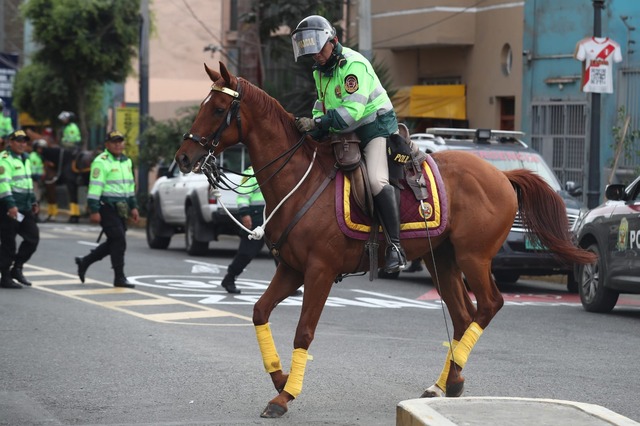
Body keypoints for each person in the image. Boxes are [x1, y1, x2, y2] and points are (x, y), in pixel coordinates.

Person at [291, 15, 418, 273]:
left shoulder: (353, 66)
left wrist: (318, 125)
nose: (315, 55)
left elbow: (353, 113)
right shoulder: (320, 70)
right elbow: (322, 103)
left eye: (319, 48)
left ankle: (395, 247)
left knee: (376, 180)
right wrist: (314, 122)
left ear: (333, 40)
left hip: (375, 127)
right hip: (345, 129)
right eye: (311, 51)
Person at [75, 131, 138, 288]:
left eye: (120, 141)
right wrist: (94, 210)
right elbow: (95, 187)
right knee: (119, 240)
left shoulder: (126, 161)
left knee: (115, 241)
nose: (117, 144)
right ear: (107, 144)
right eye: (114, 141)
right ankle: (119, 277)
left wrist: (134, 206)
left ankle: (85, 261)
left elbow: (130, 186)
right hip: (106, 207)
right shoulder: (101, 162)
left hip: (122, 207)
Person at [0, 130, 40, 288]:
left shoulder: (26, 158)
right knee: (9, 243)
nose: (22, 144)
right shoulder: (4, 159)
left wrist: (33, 200)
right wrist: (11, 205)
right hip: (9, 207)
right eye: (18, 141)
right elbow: (3, 183)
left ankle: (17, 268)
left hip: (24, 207)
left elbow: (27, 183)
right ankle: (4, 276)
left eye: (24, 141)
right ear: (10, 142)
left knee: (32, 239)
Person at [220, 165, 266, 294]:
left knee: (280, 254)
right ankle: (229, 278)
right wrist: (245, 214)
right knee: (247, 252)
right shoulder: (250, 174)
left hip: (273, 217)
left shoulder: (275, 168)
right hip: (255, 218)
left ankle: (286, 286)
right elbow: (242, 196)